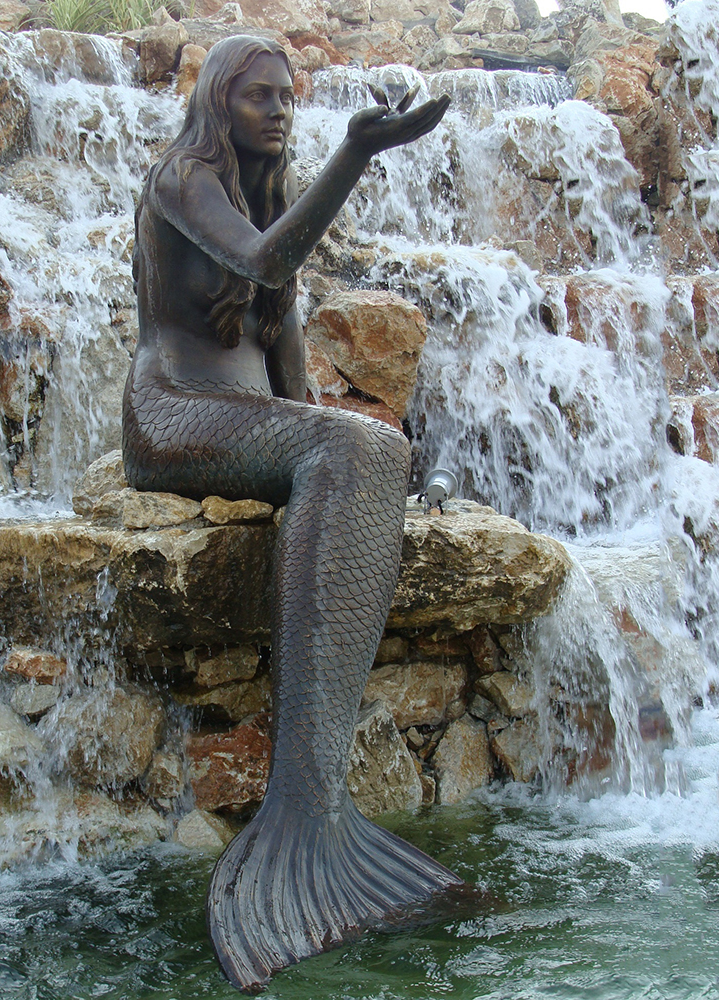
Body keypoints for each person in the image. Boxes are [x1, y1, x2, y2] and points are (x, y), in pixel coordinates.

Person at [123, 34, 459, 993]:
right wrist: (357, 153)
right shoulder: (179, 180)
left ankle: (320, 811)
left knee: (370, 443)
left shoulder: (267, 199)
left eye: (288, 96)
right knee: (352, 444)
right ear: (219, 103)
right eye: (260, 96)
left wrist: (363, 457)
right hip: (173, 416)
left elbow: (290, 371)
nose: (280, 109)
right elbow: (268, 268)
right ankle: (300, 810)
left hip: (245, 419)